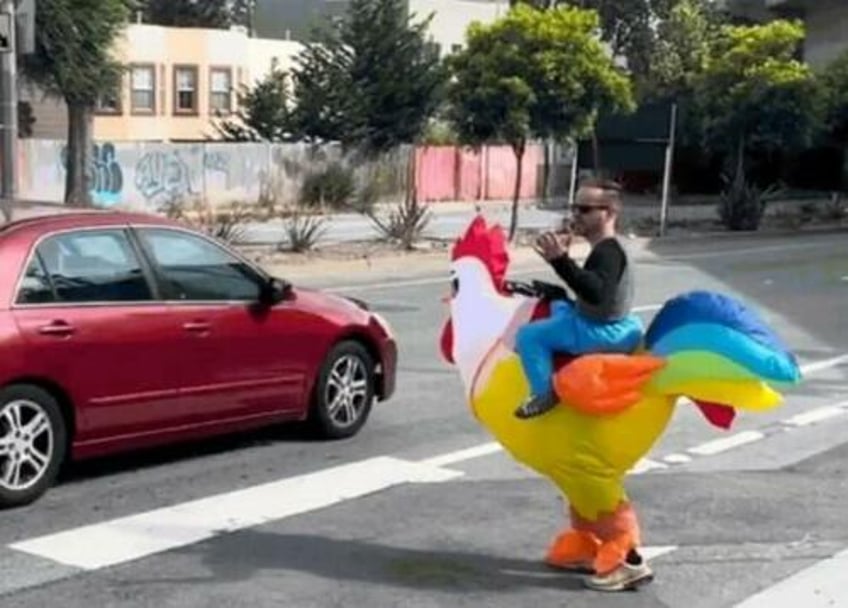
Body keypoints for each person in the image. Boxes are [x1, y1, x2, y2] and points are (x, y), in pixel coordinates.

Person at [514, 178, 643, 419]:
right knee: (558, 305)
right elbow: (591, 288)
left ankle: (543, 394)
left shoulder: (609, 251)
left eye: (584, 209)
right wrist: (560, 287)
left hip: (601, 330)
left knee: (528, 335)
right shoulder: (608, 248)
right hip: (606, 322)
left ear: (609, 213)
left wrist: (561, 261)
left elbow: (595, 292)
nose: (576, 215)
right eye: (574, 208)